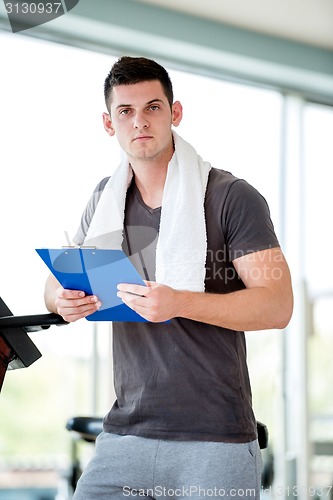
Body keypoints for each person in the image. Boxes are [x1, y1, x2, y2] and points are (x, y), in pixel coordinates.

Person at [44, 56, 293, 499]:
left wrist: (180, 302)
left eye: (153, 108)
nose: (139, 121)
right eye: (126, 111)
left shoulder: (231, 197)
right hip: (125, 435)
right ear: (109, 123)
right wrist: (60, 299)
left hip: (215, 439)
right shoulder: (104, 198)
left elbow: (277, 305)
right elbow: (58, 281)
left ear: (174, 113)